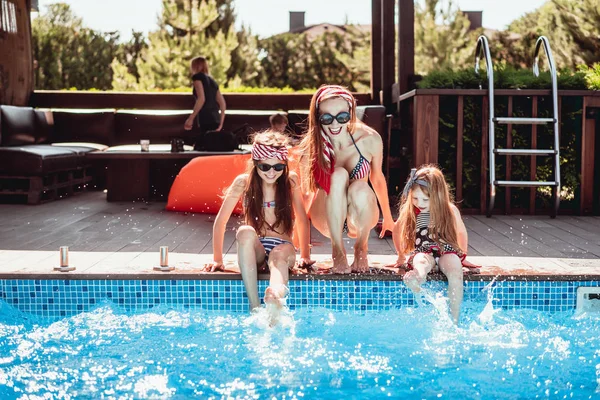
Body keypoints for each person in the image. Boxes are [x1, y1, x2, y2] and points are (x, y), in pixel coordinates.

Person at [204, 130, 313, 317]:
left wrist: (305, 255)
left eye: (278, 167)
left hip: (283, 246)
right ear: (256, 164)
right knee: (244, 231)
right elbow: (221, 221)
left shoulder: (290, 181)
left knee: (278, 256)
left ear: (284, 165)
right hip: (256, 249)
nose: (272, 172)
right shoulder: (243, 183)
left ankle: (275, 296)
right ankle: (254, 306)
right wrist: (217, 259)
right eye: (265, 167)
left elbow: (302, 220)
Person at [299, 84, 395, 274]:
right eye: (326, 118)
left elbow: (377, 178)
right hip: (326, 217)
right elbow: (305, 196)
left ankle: (361, 247)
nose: (335, 125)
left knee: (360, 187)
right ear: (317, 117)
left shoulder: (370, 139)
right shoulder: (311, 147)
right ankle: (337, 250)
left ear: (351, 113)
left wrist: (389, 219)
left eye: (342, 117)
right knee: (338, 174)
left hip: (359, 215)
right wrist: (303, 251)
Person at [392, 165, 470, 324]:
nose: (419, 203)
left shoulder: (449, 210)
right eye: (414, 198)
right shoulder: (411, 211)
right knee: (420, 261)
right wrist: (400, 255)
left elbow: (461, 232)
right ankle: (417, 278)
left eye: (425, 199)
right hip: (423, 250)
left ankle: (454, 320)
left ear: (439, 195)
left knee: (455, 270)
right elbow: (396, 230)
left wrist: (463, 255)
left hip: (446, 251)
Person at [184, 56, 226, 148]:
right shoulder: (212, 81)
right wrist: (221, 123)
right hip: (215, 119)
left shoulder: (197, 77)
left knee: (202, 147)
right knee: (211, 147)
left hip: (205, 117)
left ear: (195, 66)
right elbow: (222, 103)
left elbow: (201, 99)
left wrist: (191, 118)